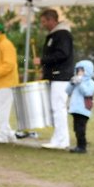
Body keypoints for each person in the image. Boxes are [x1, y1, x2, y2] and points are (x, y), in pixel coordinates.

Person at [33, 9, 74, 149]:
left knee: (59, 108)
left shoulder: (62, 34)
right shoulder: (54, 35)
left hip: (61, 76)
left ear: (52, 20)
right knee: (56, 108)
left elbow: (62, 54)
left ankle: (61, 140)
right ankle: (60, 138)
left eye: (44, 21)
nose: (43, 24)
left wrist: (43, 61)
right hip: (55, 76)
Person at [67, 59, 94, 153]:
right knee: (76, 128)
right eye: (78, 70)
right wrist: (72, 83)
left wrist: (80, 83)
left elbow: (87, 93)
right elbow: (68, 91)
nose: (79, 72)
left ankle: (82, 147)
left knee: (81, 129)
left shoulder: (90, 83)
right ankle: (79, 145)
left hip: (83, 109)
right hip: (75, 109)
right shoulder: (76, 80)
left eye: (81, 70)